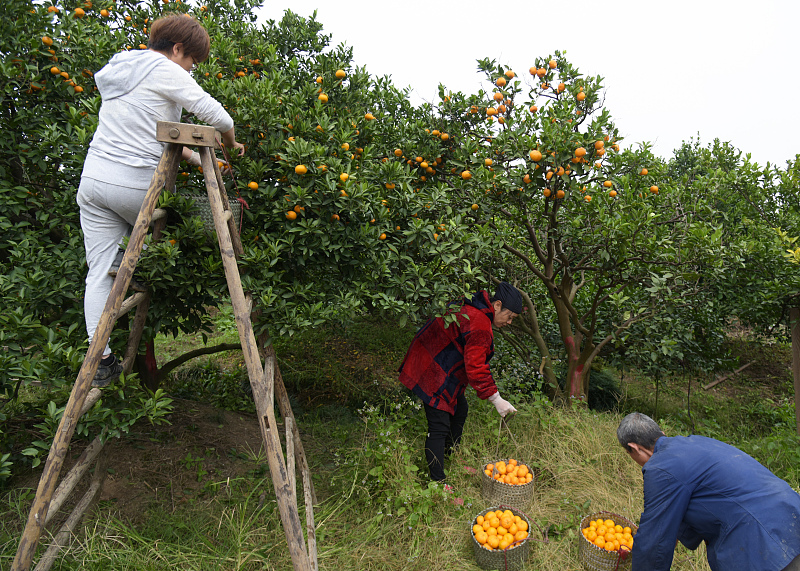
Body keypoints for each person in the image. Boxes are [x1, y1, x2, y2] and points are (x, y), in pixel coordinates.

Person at [78, 14, 245, 388]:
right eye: (192, 62)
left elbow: (147, 130)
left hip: (93, 184)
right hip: (137, 189)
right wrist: (232, 143)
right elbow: (217, 116)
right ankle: (135, 262)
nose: (192, 71)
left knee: (98, 271)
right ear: (177, 49)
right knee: (186, 219)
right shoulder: (165, 69)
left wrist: (191, 157)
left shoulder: (122, 66)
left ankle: (100, 361)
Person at [617, 412, 800, 571]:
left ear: (634, 448)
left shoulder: (660, 466)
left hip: (763, 542)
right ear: (661, 434)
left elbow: (654, 541)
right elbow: (678, 515)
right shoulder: (696, 443)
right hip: (792, 515)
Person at [398, 281, 523, 482]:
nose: (509, 322)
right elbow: (476, 367)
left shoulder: (474, 305)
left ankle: (449, 457)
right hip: (431, 367)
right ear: (497, 305)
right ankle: (438, 482)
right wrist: (496, 399)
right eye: (510, 317)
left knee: (460, 410)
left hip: (440, 362)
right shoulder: (480, 323)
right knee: (439, 425)